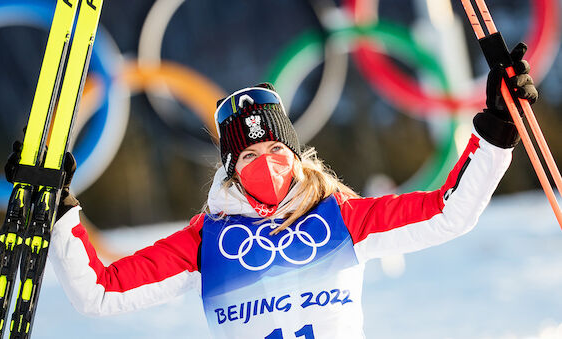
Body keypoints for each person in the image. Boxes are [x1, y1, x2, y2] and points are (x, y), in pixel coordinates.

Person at [41, 43, 537, 338]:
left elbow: (448, 213)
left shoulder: (343, 217)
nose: (267, 166)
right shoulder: (205, 243)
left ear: (296, 154)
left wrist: (495, 130)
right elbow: (101, 293)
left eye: (276, 150)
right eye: (250, 158)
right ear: (232, 170)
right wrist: (61, 212)